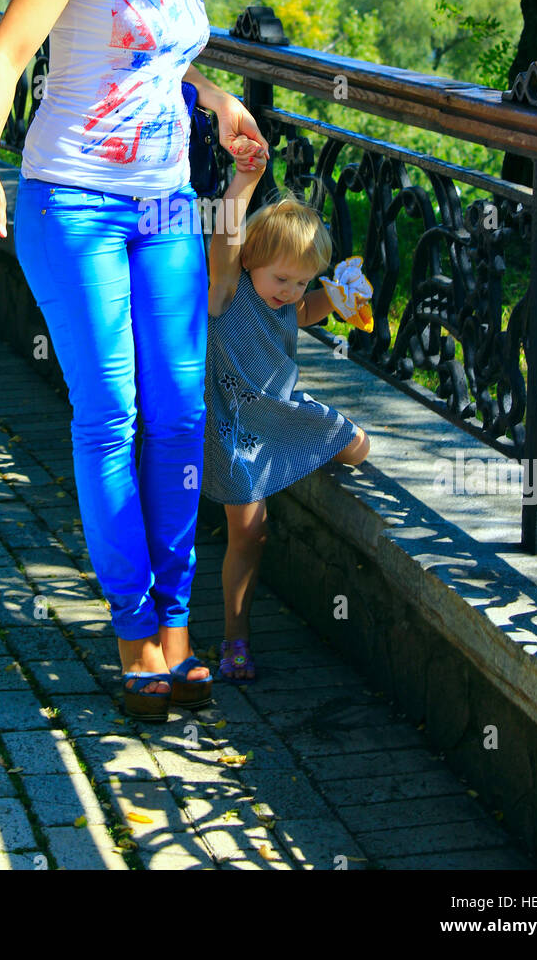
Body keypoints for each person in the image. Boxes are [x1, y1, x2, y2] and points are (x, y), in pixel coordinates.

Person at [0, 0, 268, 721]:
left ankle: (178, 622)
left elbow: (158, 60)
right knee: (111, 415)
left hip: (167, 201)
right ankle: (136, 634)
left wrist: (213, 99)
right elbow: (7, 55)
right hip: (74, 202)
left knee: (180, 415)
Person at [202, 144, 370, 682]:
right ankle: (235, 639)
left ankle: (294, 456)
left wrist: (339, 299)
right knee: (251, 531)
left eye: (302, 280)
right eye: (283, 280)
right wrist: (243, 179)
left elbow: (309, 310)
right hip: (232, 426)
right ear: (248, 261)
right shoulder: (226, 291)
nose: (291, 292)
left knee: (359, 448)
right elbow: (227, 232)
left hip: (283, 412)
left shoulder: (287, 299)